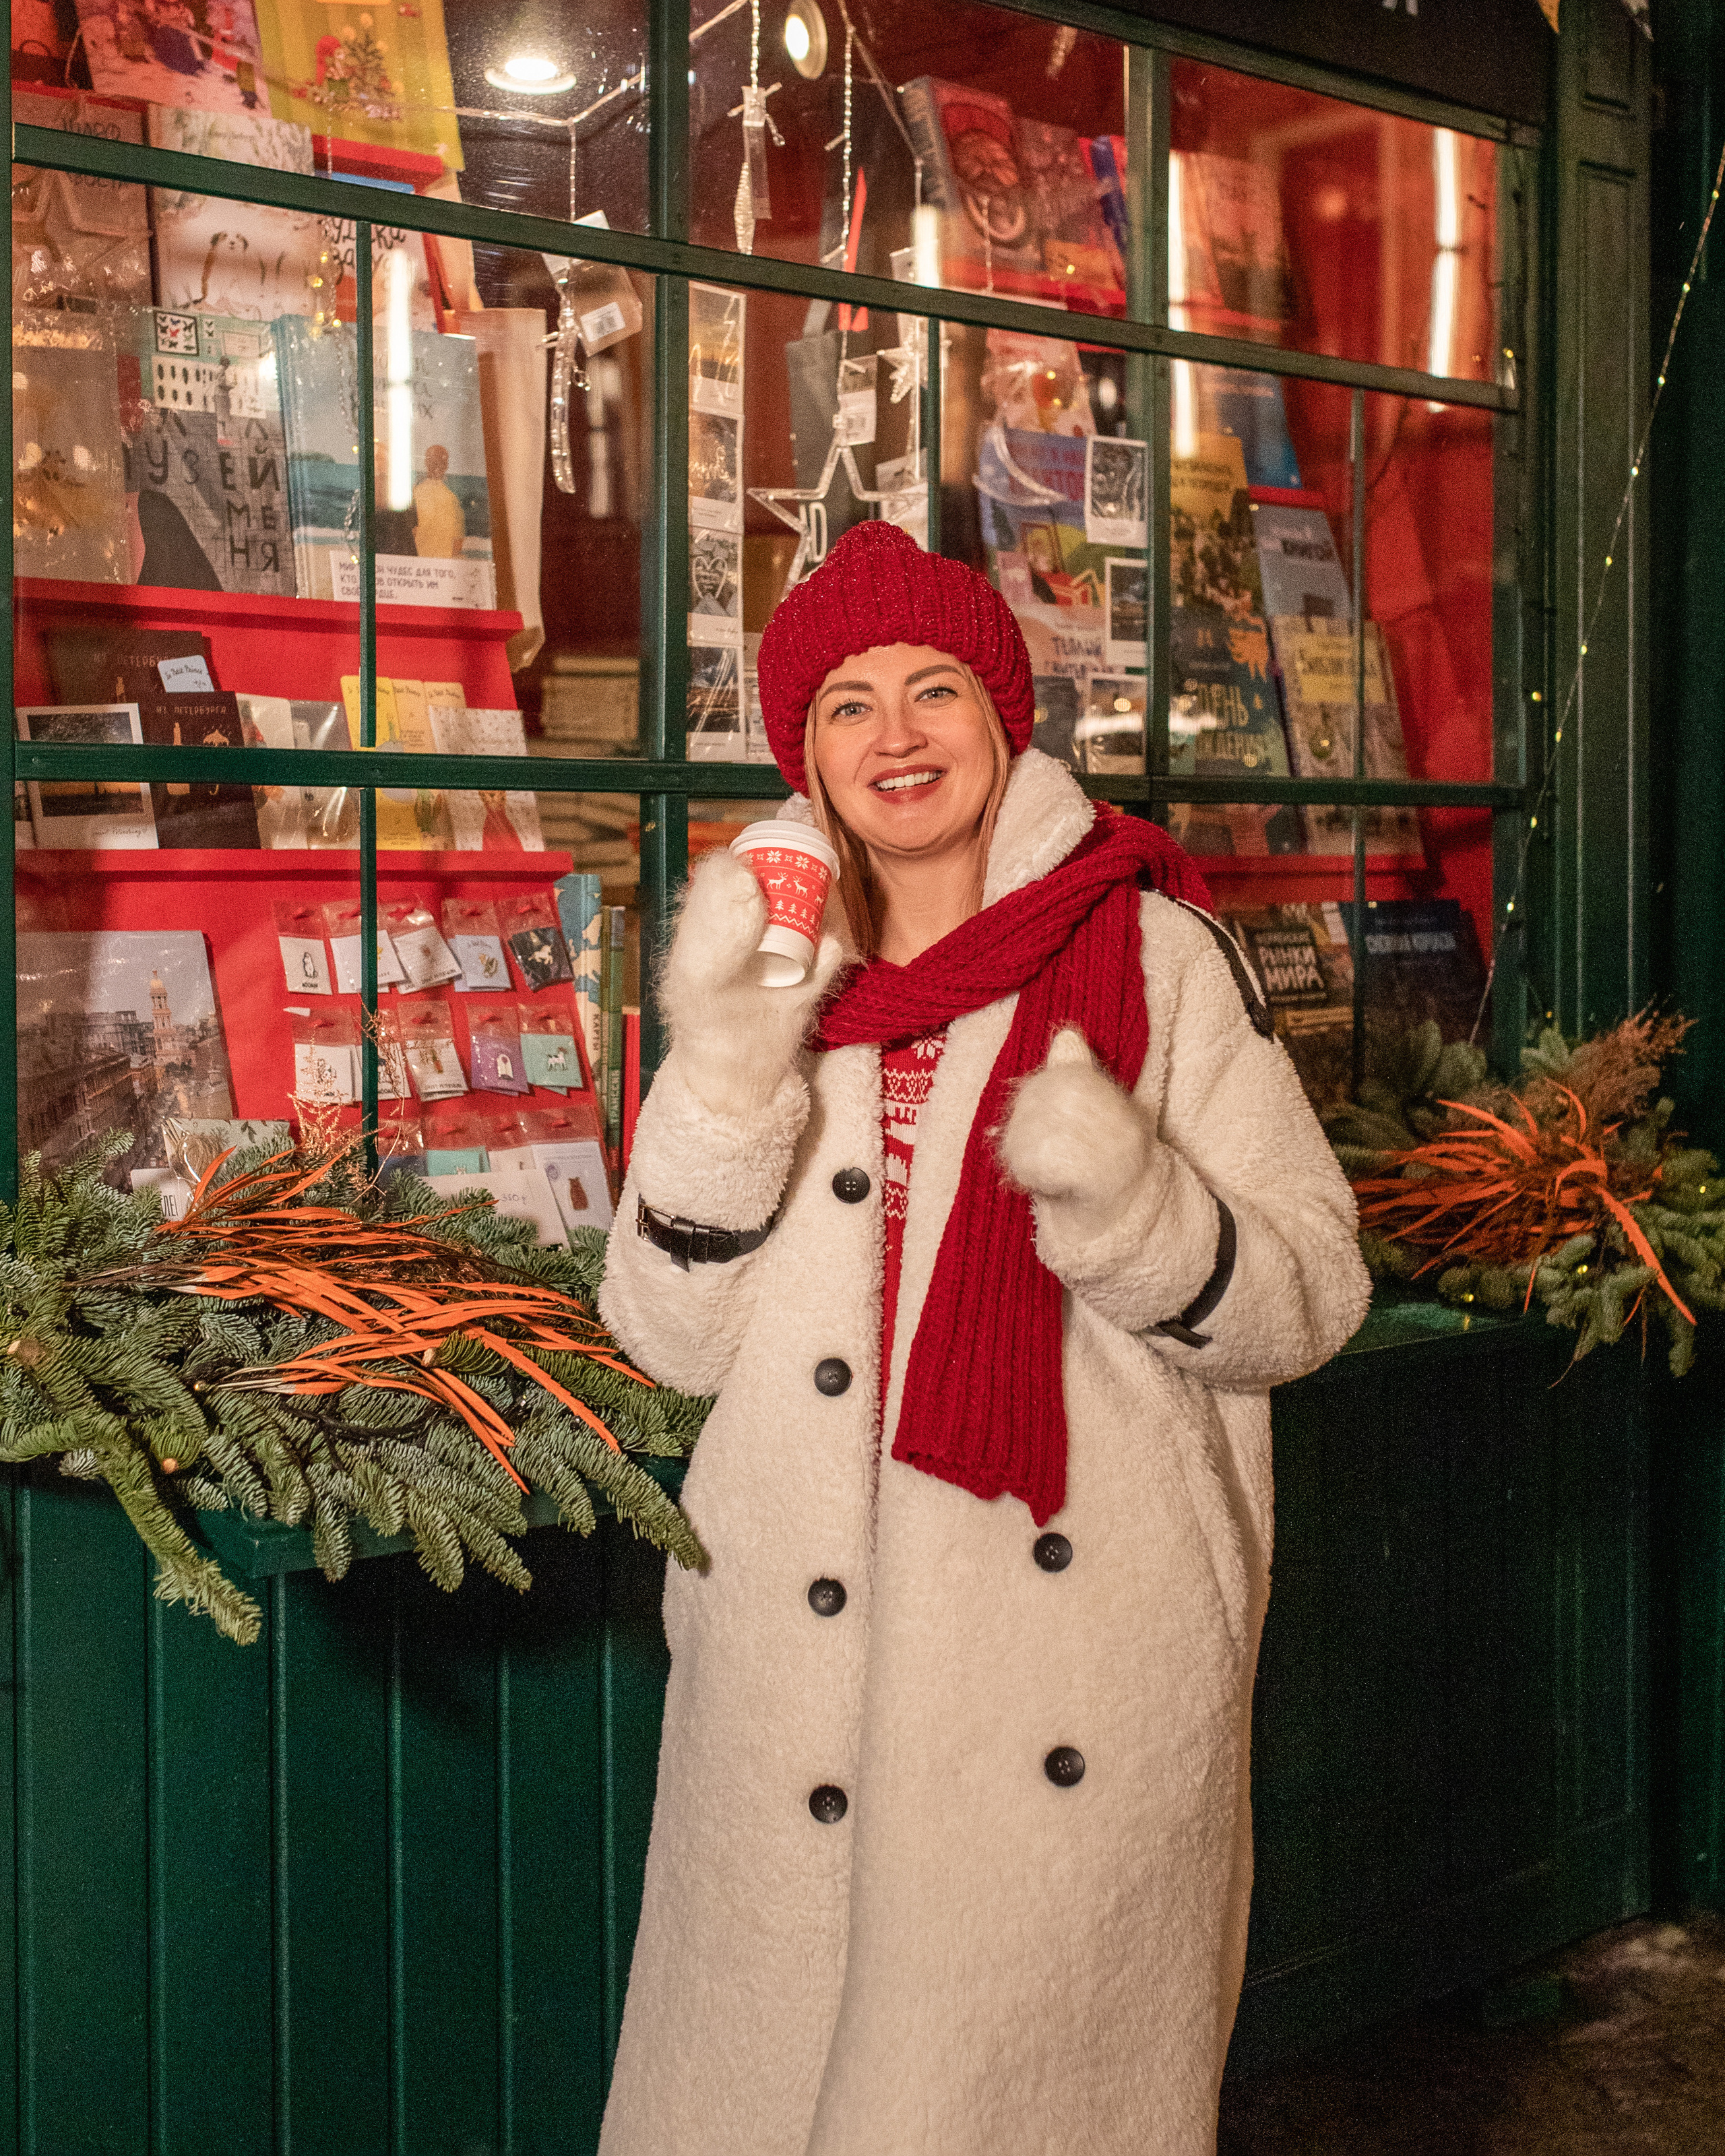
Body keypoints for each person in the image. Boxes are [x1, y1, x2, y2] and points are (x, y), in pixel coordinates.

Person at [598, 519, 1371, 2156]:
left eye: (933, 688)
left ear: (1001, 719)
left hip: (1061, 1686)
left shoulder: (1153, 953)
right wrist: (729, 1071)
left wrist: (1129, 1211)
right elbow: (660, 1338)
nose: (897, 734)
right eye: (849, 703)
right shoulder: (761, 969)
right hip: (783, 1689)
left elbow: (1308, 1296)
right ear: (803, 753)